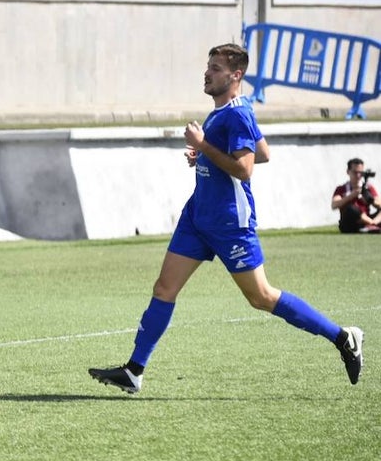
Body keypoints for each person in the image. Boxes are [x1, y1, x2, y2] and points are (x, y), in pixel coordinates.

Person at [89, 43, 364, 394]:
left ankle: (343, 337)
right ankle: (134, 370)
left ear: (236, 76)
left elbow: (246, 169)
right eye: (208, 66)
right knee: (164, 288)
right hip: (198, 215)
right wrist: (204, 157)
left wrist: (205, 147)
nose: (207, 72)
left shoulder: (237, 113)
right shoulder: (225, 110)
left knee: (261, 296)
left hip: (231, 222)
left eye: (216, 68)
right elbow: (262, 151)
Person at [331, 158, 380, 233]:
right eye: (355, 172)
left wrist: (371, 200)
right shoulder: (341, 189)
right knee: (350, 209)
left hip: (367, 218)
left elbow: (379, 204)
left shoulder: (368, 188)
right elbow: (334, 205)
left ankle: (371, 225)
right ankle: (371, 225)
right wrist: (352, 195)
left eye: (360, 173)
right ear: (348, 172)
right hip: (351, 223)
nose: (358, 175)